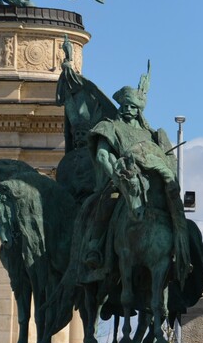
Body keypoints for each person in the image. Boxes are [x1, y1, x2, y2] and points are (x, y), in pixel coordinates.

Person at [80, 67, 190, 286]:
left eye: (134, 106)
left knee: (174, 209)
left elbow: (166, 159)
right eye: (126, 105)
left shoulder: (151, 133)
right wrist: (118, 179)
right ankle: (95, 247)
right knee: (106, 204)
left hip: (151, 183)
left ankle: (181, 250)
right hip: (120, 180)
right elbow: (102, 156)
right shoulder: (109, 127)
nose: (129, 109)